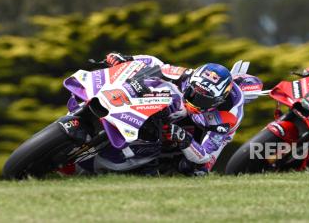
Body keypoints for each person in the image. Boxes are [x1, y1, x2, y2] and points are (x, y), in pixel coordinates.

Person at [104, 52, 246, 175]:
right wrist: (126, 59)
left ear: (218, 100)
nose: (194, 100)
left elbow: (205, 156)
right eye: (192, 92)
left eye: (202, 99)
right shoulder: (187, 75)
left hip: (212, 127)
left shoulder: (227, 117)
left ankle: (154, 168)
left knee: (197, 170)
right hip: (183, 110)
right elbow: (155, 63)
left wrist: (183, 137)